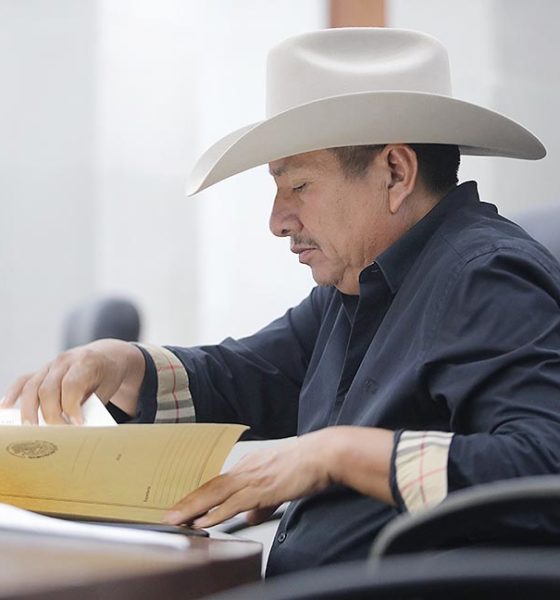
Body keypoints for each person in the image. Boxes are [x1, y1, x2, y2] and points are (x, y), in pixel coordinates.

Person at [4, 28, 560, 577]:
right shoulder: (353, 290)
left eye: (298, 186)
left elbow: (544, 469)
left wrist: (335, 455)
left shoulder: (485, 275)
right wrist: (122, 365)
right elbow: (241, 376)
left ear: (396, 172)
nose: (277, 221)